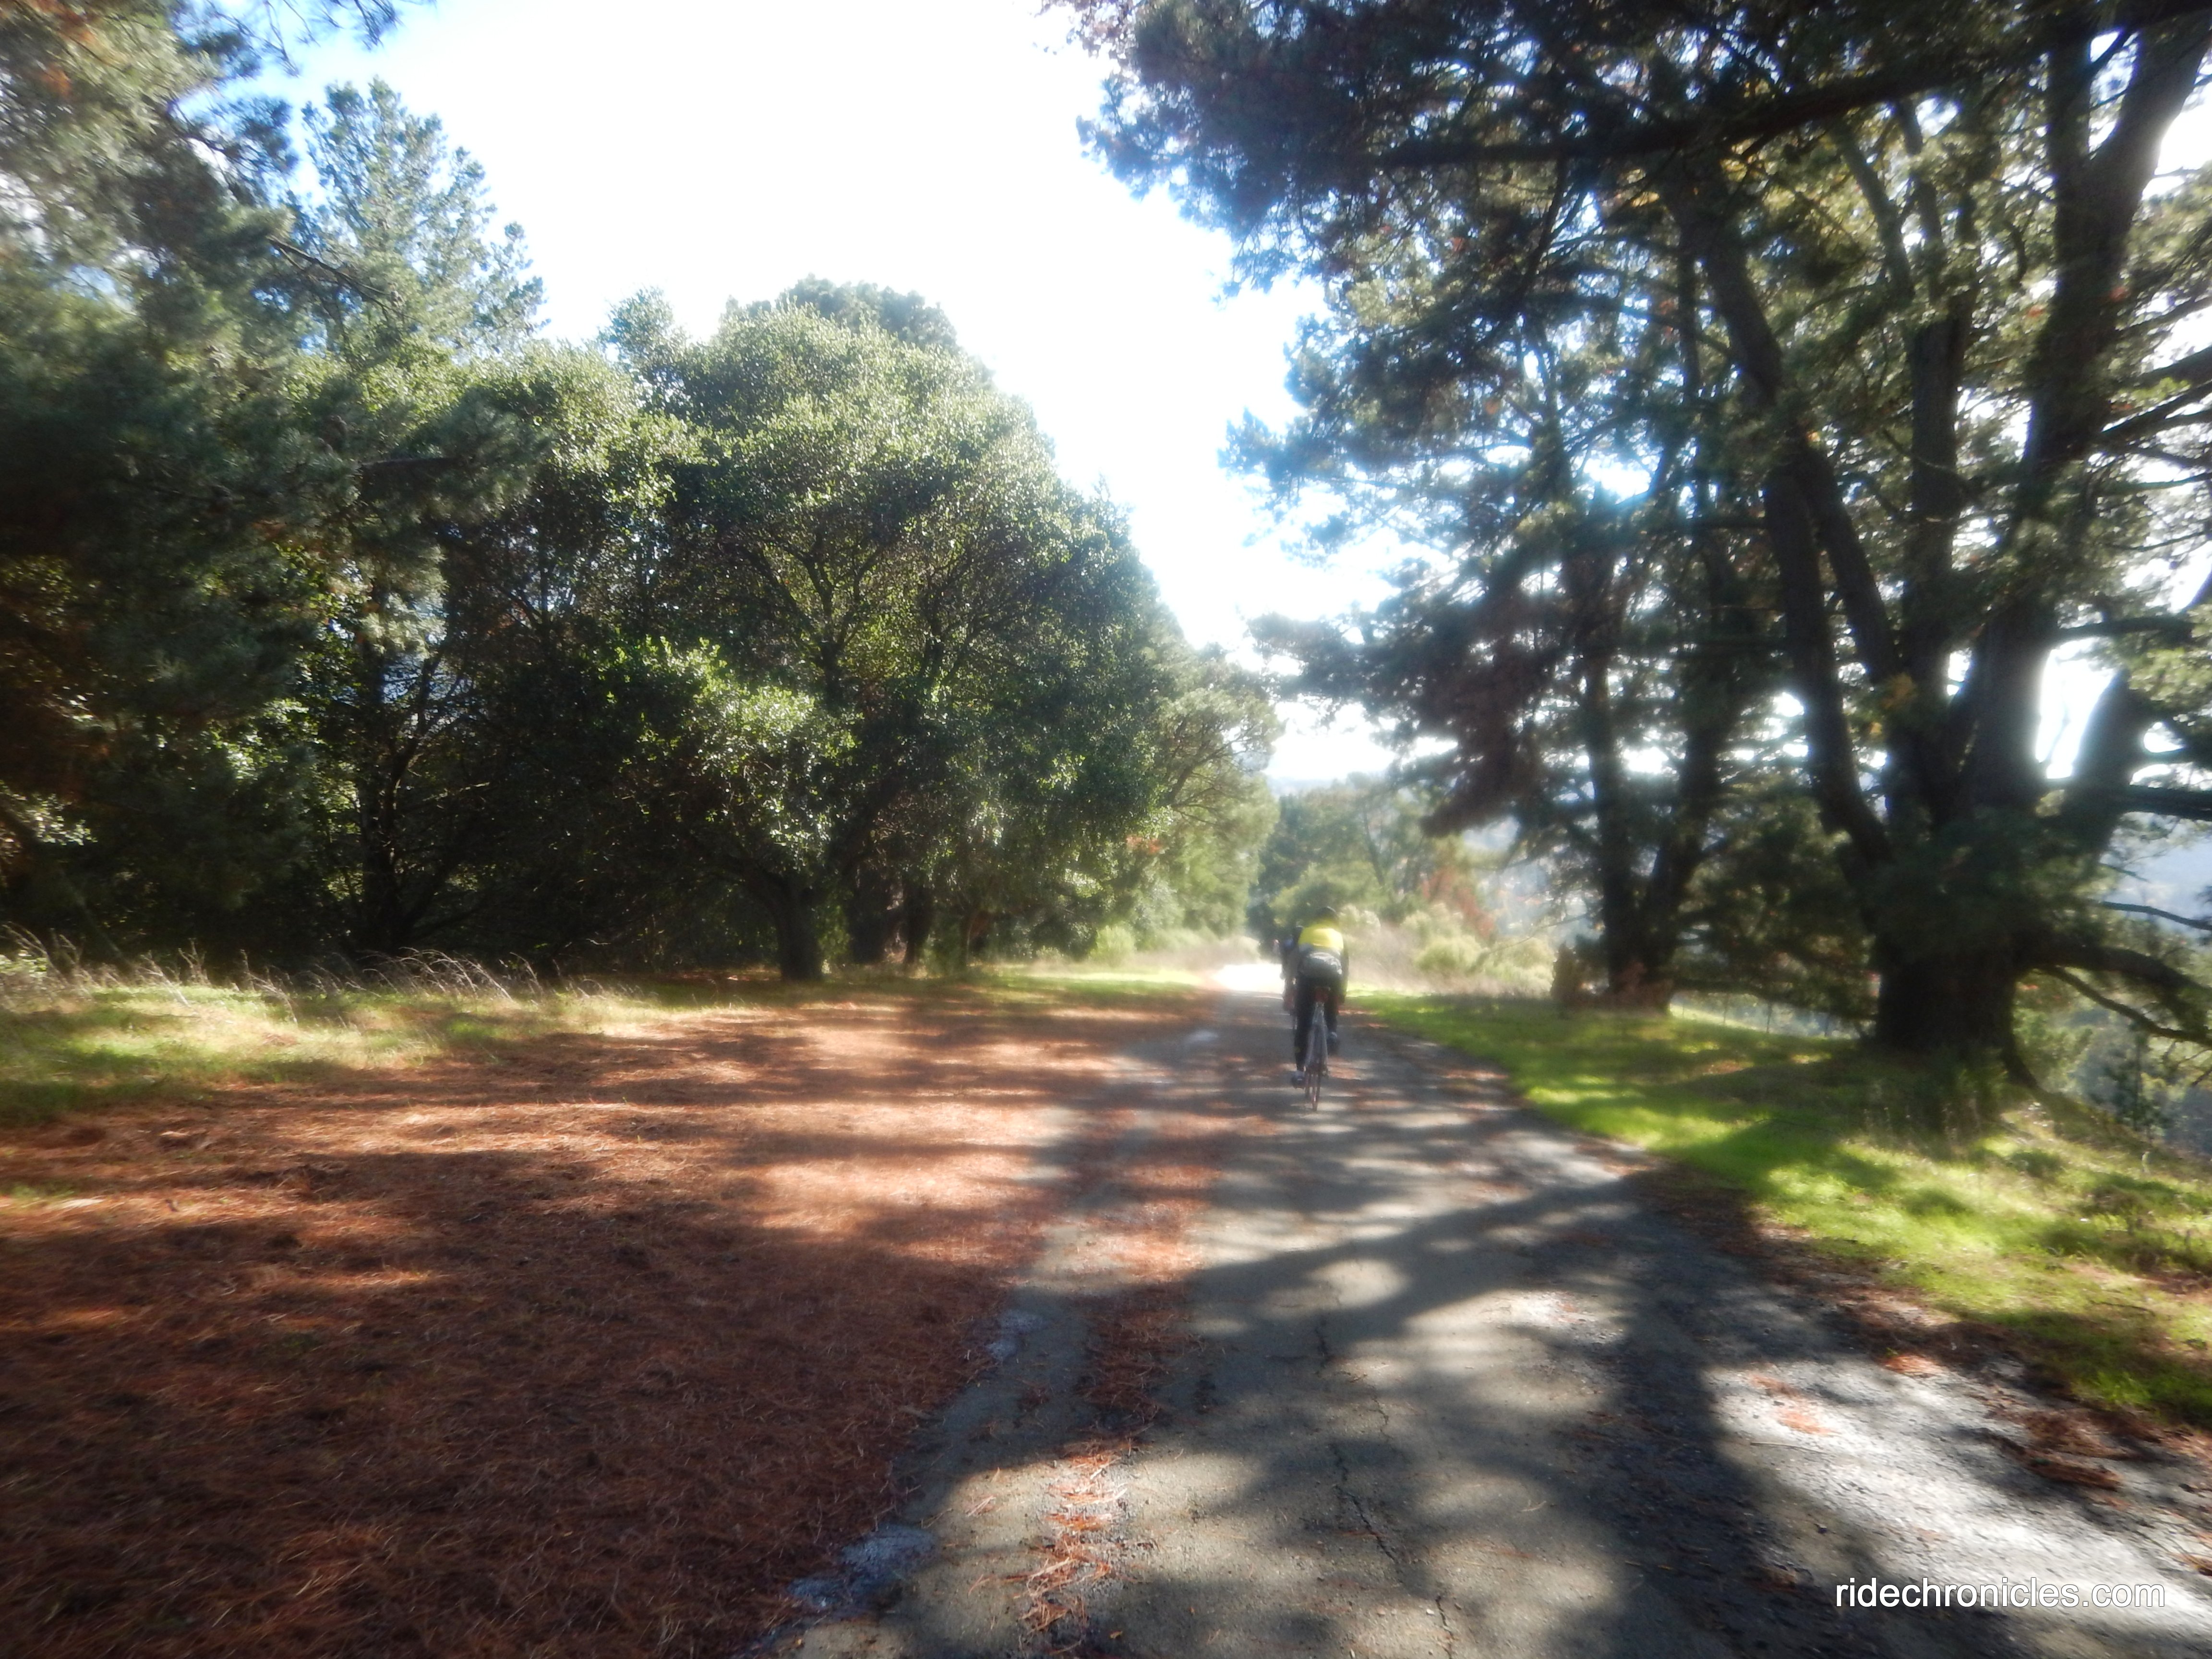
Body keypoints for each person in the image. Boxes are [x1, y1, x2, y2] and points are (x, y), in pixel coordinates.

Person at [1289, 907, 1348, 1077]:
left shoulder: (1307, 932)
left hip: (1308, 977)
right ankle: (1332, 1032)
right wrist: (1342, 992)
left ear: (1316, 920)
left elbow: (1294, 960)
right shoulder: (1339, 937)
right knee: (1332, 1004)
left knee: (1303, 1025)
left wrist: (1289, 985)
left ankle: (1299, 1072)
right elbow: (1345, 967)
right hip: (1333, 978)